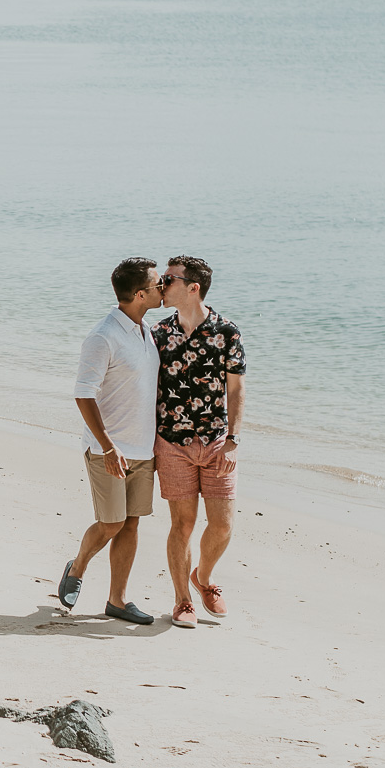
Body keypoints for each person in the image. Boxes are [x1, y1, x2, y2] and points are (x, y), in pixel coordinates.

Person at [58, 257, 164, 623]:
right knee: (111, 524)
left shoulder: (146, 331)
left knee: (132, 523)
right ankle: (78, 567)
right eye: (158, 284)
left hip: (143, 450)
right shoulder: (103, 336)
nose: (163, 288)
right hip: (109, 449)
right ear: (139, 294)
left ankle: (117, 600)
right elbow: (84, 394)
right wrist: (108, 446)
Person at [152, 255, 246, 628]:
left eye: (170, 279)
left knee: (222, 524)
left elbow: (237, 389)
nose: (162, 285)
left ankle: (204, 578)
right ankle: (182, 600)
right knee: (182, 524)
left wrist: (234, 439)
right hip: (172, 441)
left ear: (193, 287)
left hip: (216, 441)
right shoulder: (158, 333)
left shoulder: (227, 332)